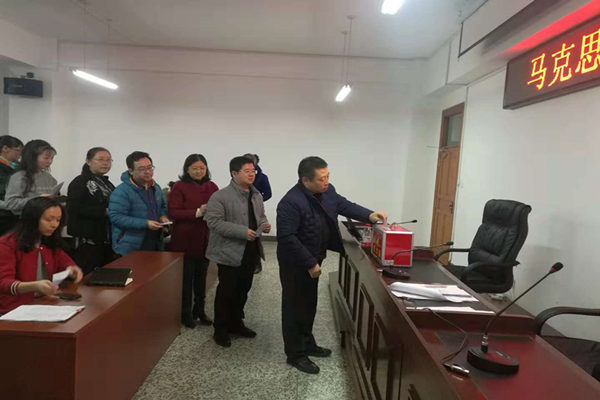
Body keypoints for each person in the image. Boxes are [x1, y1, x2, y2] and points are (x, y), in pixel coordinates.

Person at [277, 156, 387, 374]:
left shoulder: (327, 191)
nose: (326, 182)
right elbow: (287, 238)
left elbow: (343, 204)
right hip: (296, 263)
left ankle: (307, 343)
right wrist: (309, 263)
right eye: (321, 179)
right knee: (294, 308)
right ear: (305, 180)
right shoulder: (290, 202)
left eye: (328, 176)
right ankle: (296, 354)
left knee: (309, 304)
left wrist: (369, 215)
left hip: (315, 256)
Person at [205, 156, 271, 347]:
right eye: (247, 171)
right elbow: (213, 222)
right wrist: (242, 232)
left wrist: (264, 224)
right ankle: (220, 329)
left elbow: (260, 216)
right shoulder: (220, 196)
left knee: (243, 289)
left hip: (251, 250)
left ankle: (236, 323)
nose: (251, 175)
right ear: (234, 173)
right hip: (228, 251)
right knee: (227, 291)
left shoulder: (256, 195)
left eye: (253, 171)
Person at [0, 197, 83, 314]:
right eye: (49, 220)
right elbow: (3, 283)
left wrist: (71, 268)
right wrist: (35, 286)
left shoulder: (47, 240)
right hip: (13, 310)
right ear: (32, 220)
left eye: (58, 220)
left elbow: (65, 261)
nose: (54, 225)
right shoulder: (7, 244)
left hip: (42, 303)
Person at [169, 154, 219, 328]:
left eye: (202, 168)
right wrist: (198, 212)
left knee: (201, 278)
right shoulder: (179, 186)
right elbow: (173, 212)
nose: (199, 171)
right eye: (195, 168)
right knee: (186, 280)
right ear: (187, 170)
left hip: (205, 239)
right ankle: (186, 314)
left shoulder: (212, 186)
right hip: (185, 240)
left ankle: (200, 310)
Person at [108, 151, 169, 255]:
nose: (147, 172)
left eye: (150, 168)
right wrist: (145, 223)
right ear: (131, 171)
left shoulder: (155, 187)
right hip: (130, 243)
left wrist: (163, 217)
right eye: (142, 169)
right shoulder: (122, 191)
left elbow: (162, 207)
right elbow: (116, 217)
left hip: (155, 240)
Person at [67, 147, 116, 274]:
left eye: (108, 160)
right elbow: (74, 208)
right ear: (88, 161)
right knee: (87, 275)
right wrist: (103, 211)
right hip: (87, 239)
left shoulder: (108, 183)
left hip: (106, 238)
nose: (105, 163)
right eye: (100, 159)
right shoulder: (80, 181)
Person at [2, 139, 58, 220]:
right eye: (46, 158)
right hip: (24, 220)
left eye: (52, 158)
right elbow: (11, 203)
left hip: (44, 219)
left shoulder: (49, 177)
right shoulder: (19, 177)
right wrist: (37, 200)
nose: (50, 161)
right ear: (32, 157)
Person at [0, 135, 23, 235]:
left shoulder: (19, 167)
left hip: (17, 214)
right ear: (5, 148)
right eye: (18, 150)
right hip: (4, 216)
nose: (20, 154)